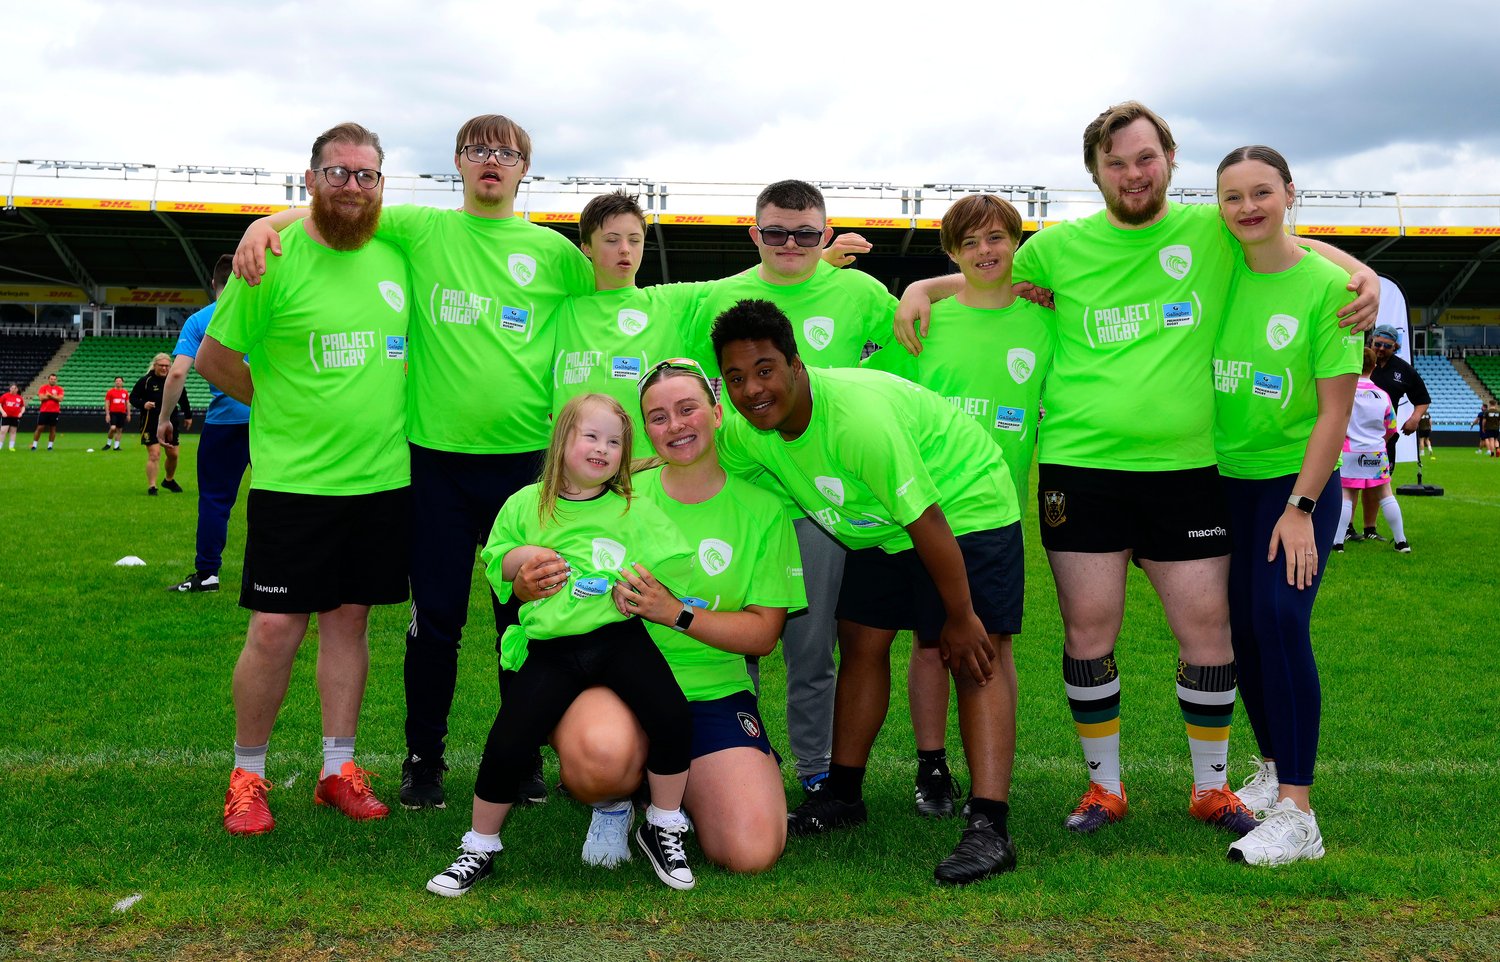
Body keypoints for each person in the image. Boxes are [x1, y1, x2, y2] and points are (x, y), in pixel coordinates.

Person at [894, 101, 1379, 837]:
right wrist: (917, 289)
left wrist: (1363, 272)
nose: (1132, 173)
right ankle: (1104, 789)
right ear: (1094, 173)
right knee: (1090, 632)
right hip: (1080, 467)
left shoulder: (1209, 228)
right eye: (1115, 163)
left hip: (1186, 469)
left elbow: (1287, 236)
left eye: (1144, 158)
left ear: (1170, 159)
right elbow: (980, 272)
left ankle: (1211, 790)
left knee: (1208, 631)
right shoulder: (1059, 248)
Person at [233, 114, 594, 810]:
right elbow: (340, 203)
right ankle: (422, 761)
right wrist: (263, 224)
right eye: (478, 150)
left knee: (525, 616)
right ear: (457, 163)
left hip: (524, 462)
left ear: (526, 168)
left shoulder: (552, 255)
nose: (492, 161)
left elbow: (615, 299)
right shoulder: (419, 230)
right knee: (437, 621)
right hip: (432, 465)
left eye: (507, 153)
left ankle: (519, 758)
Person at [711, 299, 1025, 886]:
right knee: (860, 637)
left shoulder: (855, 421)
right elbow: (714, 481)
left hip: (962, 506)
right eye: (734, 377)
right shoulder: (745, 430)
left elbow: (927, 520)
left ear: (797, 365)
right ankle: (843, 795)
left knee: (975, 657)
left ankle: (989, 826)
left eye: (764, 369)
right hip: (879, 524)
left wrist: (959, 615)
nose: (752, 389)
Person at [197, 121, 411, 836]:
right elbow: (217, 360)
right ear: (311, 179)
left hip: (381, 480)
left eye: (366, 175)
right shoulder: (275, 259)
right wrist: (281, 404)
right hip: (296, 483)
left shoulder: (398, 254)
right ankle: (248, 775)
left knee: (350, 623)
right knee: (276, 628)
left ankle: (337, 768)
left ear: (382, 184)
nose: (353, 187)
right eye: (339, 173)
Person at [514, 359, 804, 875]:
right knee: (597, 762)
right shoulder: (612, 493)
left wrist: (677, 614)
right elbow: (533, 559)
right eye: (658, 417)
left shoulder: (762, 510)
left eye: (687, 409)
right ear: (644, 432)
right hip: (614, 681)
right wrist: (524, 580)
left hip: (710, 688)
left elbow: (763, 635)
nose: (676, 425)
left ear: (716, 413)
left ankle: (671, 798)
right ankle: (617, 800)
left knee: (751, 851)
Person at [426, 394, 699, 896]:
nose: (602, 448)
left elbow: (670, 560)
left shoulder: (631, 509)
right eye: (590, 436)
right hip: (551, 649)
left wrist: (635, 585)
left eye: (614, 442)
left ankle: (663, 824)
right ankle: (479, 846)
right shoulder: (526, 503)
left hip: (617, 638)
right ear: (562, 441)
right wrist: (523, 559)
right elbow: (498, 561)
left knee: (673, 715)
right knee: (509, 740)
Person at [685, 179, 898, 806]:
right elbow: (699, 387)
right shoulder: (721, 298)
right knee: (731, 641)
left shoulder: (859, 293)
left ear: (825, 236)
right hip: (740, 500)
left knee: (811, 647)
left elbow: (911, 340)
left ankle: (815, 767)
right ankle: (734, 755)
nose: (791, 244)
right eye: (776, 231)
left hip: (820, 503)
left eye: (806, 233)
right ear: (755, 234)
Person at [862, 194, 1054, 817]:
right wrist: (919, 288)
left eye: (997, 238)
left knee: (993, 644)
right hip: (928, 512)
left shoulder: (1044, 320)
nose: (985, 252)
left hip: (995, 512)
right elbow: (884, 403)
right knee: (930, 642)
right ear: (951, 253)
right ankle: (931, 764)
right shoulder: (924, 322)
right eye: (969, 243)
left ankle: (989, 780)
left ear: (1017, 242)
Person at [1210, 146, 1361, 866]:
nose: (1247, 208)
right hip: (1222, 479)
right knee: (1241, 630)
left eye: (1261, 192)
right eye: (1232, 196)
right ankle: (1272, 772)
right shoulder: (1214, 267)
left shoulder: (1329, 290)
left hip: (1293, 482)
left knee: (1279, 617)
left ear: (1290, 193)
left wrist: (1300, 505)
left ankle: (1300, 814)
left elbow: (1335, 412)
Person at [159, 254, 251, 593]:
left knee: (215, 499)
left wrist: (164, 418)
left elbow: (179, 372)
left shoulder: (201, 320)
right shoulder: (263, 312)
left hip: (225, 421)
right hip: (270, 417)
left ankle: (208, 574)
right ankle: (275, 574)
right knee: (275, 496)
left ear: (214, 283)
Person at [1354, 324, 1429, 541]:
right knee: (1349, 483)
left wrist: (1414, 419)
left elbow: (1423, 399)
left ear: (1395, 347)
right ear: (1371, 342)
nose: (1380, 349)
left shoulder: (1403, 370)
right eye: (1377, 344)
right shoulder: (1359, 361)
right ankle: (1347, 530)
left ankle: (1369, 529)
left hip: (1384, 438)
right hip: (1351, 435)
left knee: (1376, 483)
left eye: (1387, 346)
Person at [1332, 350, 1409, 554]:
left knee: (1346, 496)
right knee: (1386, 494)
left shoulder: (1345, 393)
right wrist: (1377, 443)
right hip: (1376, 452)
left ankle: (1338, 542)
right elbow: (1391, 428)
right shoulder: (1383, 395)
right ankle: (1401, 542)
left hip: (1350, 451)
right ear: (1374, 367)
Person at [130, 354, 192, 496]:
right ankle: (152, 486)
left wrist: (188, 415)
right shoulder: (146, 381)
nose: (164, 368)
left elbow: (183, 399)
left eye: (167, 366)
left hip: (171, 422)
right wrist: (143, 404)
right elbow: (132, 397)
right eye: (161, 365)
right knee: (154, 454)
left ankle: (168, 480)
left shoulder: (175, 380)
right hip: (150, 422)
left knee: (173, 455)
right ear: (155, 366)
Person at [30, 374, 63, 450]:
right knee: (40, 427)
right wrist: (54, 396)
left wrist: (49, 395)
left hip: (55, 411)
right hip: (44, 411)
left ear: (56, 380)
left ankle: (50, 446)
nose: (53, 380)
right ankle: (34, 445)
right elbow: (41, 398)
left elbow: (60, 399)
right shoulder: (43, 387)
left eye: (54, 379)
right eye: (51, 379)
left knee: (53, 428)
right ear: (49, 379)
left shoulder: (59, 389)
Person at [104, 377, 130, 451]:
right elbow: (107, 403)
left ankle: (116, 447)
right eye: (117, 381)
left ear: (122, 382)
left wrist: (128, 414)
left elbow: (127, 403)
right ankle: (108, 444)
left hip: (122, 413)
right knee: (113, 428)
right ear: (115, 382)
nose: (118, 382)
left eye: (120, 381)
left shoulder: (125, 392)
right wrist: (107, 414)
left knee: (119, 430)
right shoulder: (110, 392)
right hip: (113, 413)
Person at [0, 383, 24, 450]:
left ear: (17, 389)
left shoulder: (19, 398)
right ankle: (0, 446)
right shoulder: (4, 396)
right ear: (10, 388)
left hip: (15, 417)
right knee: (3, 431)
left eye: (15, 388)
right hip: (6, 416)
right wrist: (3, 412)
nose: (13, 389)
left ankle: (11, 447)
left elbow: (23, 406)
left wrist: (21, 413)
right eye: (12, 388)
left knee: (13, 431)